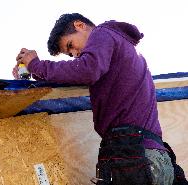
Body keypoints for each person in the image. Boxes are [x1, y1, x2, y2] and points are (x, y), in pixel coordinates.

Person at [13, 13, 187, 185]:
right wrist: (33, 72)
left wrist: (35, 64)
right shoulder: (122, 49)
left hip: (135, 156)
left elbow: (85, 70)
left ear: (79, 25)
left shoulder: (102, 33)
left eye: (71, 45)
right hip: (152, 156)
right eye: (69, 54)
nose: (74, 54)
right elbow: (76, 73)